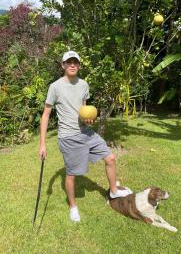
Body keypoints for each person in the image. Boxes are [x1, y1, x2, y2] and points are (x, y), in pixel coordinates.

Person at [39, 50, 132, 222]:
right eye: (69, 62)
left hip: (86, 133)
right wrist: (42, 144)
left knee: (110, 158)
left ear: (79, 66)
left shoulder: (84, 85)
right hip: (69, 137)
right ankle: (73, 206)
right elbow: (45, 115)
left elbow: (83, 110)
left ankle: (113, 190)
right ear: (63, 65)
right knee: (72, 174)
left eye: (75, 62)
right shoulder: (55, 87)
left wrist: (88, 119)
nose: (72, 65)